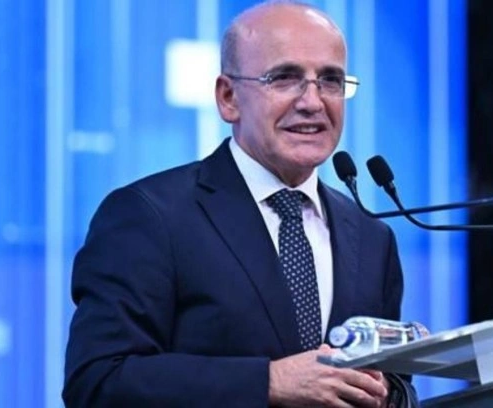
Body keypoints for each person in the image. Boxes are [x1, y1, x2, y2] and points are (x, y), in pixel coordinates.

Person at [63, 1, 414, 407]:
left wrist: (387, 394)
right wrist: (268, 382)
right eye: (285, 78)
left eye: (330, 81)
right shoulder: (149, 215)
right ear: (228, 97)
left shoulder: (372, 237)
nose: (313, 102)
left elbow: (397, 382)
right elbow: (98, 381)